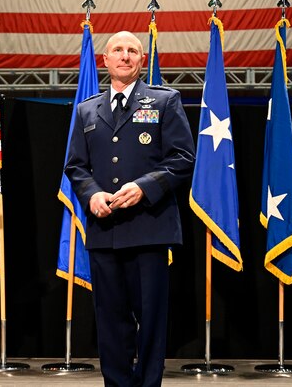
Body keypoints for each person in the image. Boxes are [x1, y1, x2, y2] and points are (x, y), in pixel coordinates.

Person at [65, 31, 195, 387]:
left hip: (149, 227)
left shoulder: (164, 101)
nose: (125, 56)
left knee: (151, 320)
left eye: (132, 51)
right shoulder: (86, 109)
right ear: (105, 61)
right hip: (104, 231)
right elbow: (76, 166)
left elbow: (183, 158)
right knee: (110, 321)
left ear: (142, 60)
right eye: (118, 50)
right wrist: (90, 194)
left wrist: (144, 187)